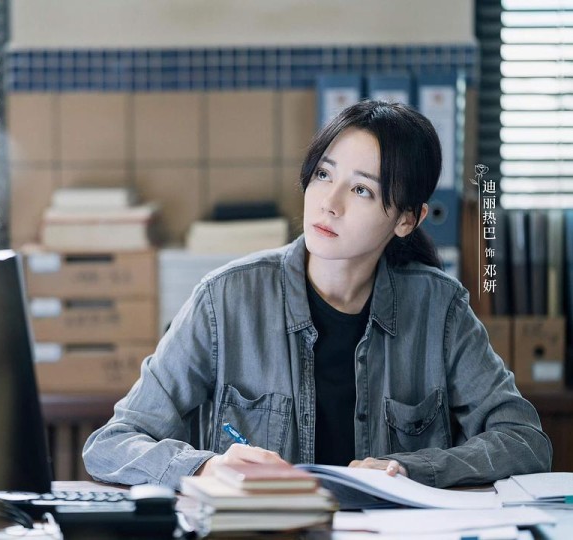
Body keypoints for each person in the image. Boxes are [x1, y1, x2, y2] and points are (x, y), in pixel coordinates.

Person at [82, 100, 552, 490]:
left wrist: (410, 469)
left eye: (362, 190)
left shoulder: (440, 309)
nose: (330, 202)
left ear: (407, 219)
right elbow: (112, 443)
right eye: (325, 175)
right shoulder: (224, 301)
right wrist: (205, 467)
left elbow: (525, 440)